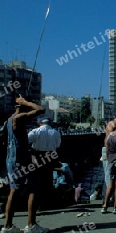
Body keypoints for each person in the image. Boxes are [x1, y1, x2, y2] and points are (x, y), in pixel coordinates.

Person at [2, 95, 46, 233]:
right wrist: (26, 101)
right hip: (20, 160)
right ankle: (31, 225)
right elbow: (41, 109)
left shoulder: (9, 120)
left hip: (11, 158)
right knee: (33, 188)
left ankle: (7, 226)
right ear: (22, 106)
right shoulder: (18, 118)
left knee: (14, 190)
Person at [28, 117, 61, 210]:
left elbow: (26, 141)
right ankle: (46, 203)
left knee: (38, 180)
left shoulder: (35, 131)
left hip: (38, 155)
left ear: (40, 123)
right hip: (51, 156)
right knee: (48, 179)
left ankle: (37, 203)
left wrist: (32, 150)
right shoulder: (55, 132)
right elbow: (58, 145)